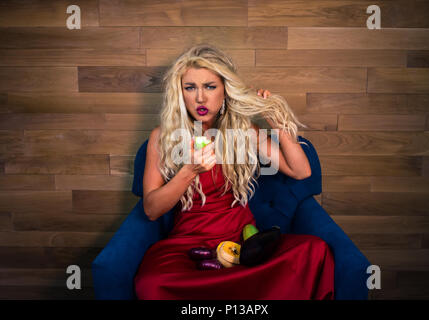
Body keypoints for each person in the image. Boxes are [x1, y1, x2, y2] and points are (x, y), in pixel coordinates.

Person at [134, 44, 335, 300]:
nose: (200, 98)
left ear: (225, 90)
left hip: (243, 243)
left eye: (210, 86)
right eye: (190, 87)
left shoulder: (243, 131)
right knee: (151, 284)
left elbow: (300, 171)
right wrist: (188, 171)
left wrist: (275, 120)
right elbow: (151, 210)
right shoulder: (161, 138)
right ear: (180, 92)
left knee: (314, 251)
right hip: (187, 245)